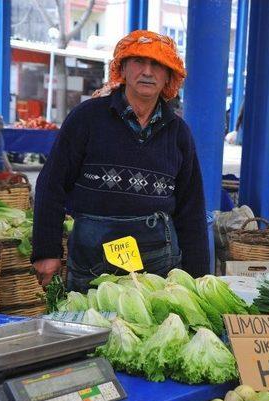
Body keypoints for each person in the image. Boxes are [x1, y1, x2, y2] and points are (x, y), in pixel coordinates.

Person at [31, 30, 209, 292]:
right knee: (92, 331)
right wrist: (46, 250)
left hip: (158, 268)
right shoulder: (87, 118)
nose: (147, 71)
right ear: (122, 69)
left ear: (168, 76)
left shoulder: (178, 133)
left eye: (157, 64)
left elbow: (191, 209)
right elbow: (51, 185)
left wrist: (198, 277)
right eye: (138, 62)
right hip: (92, 263)